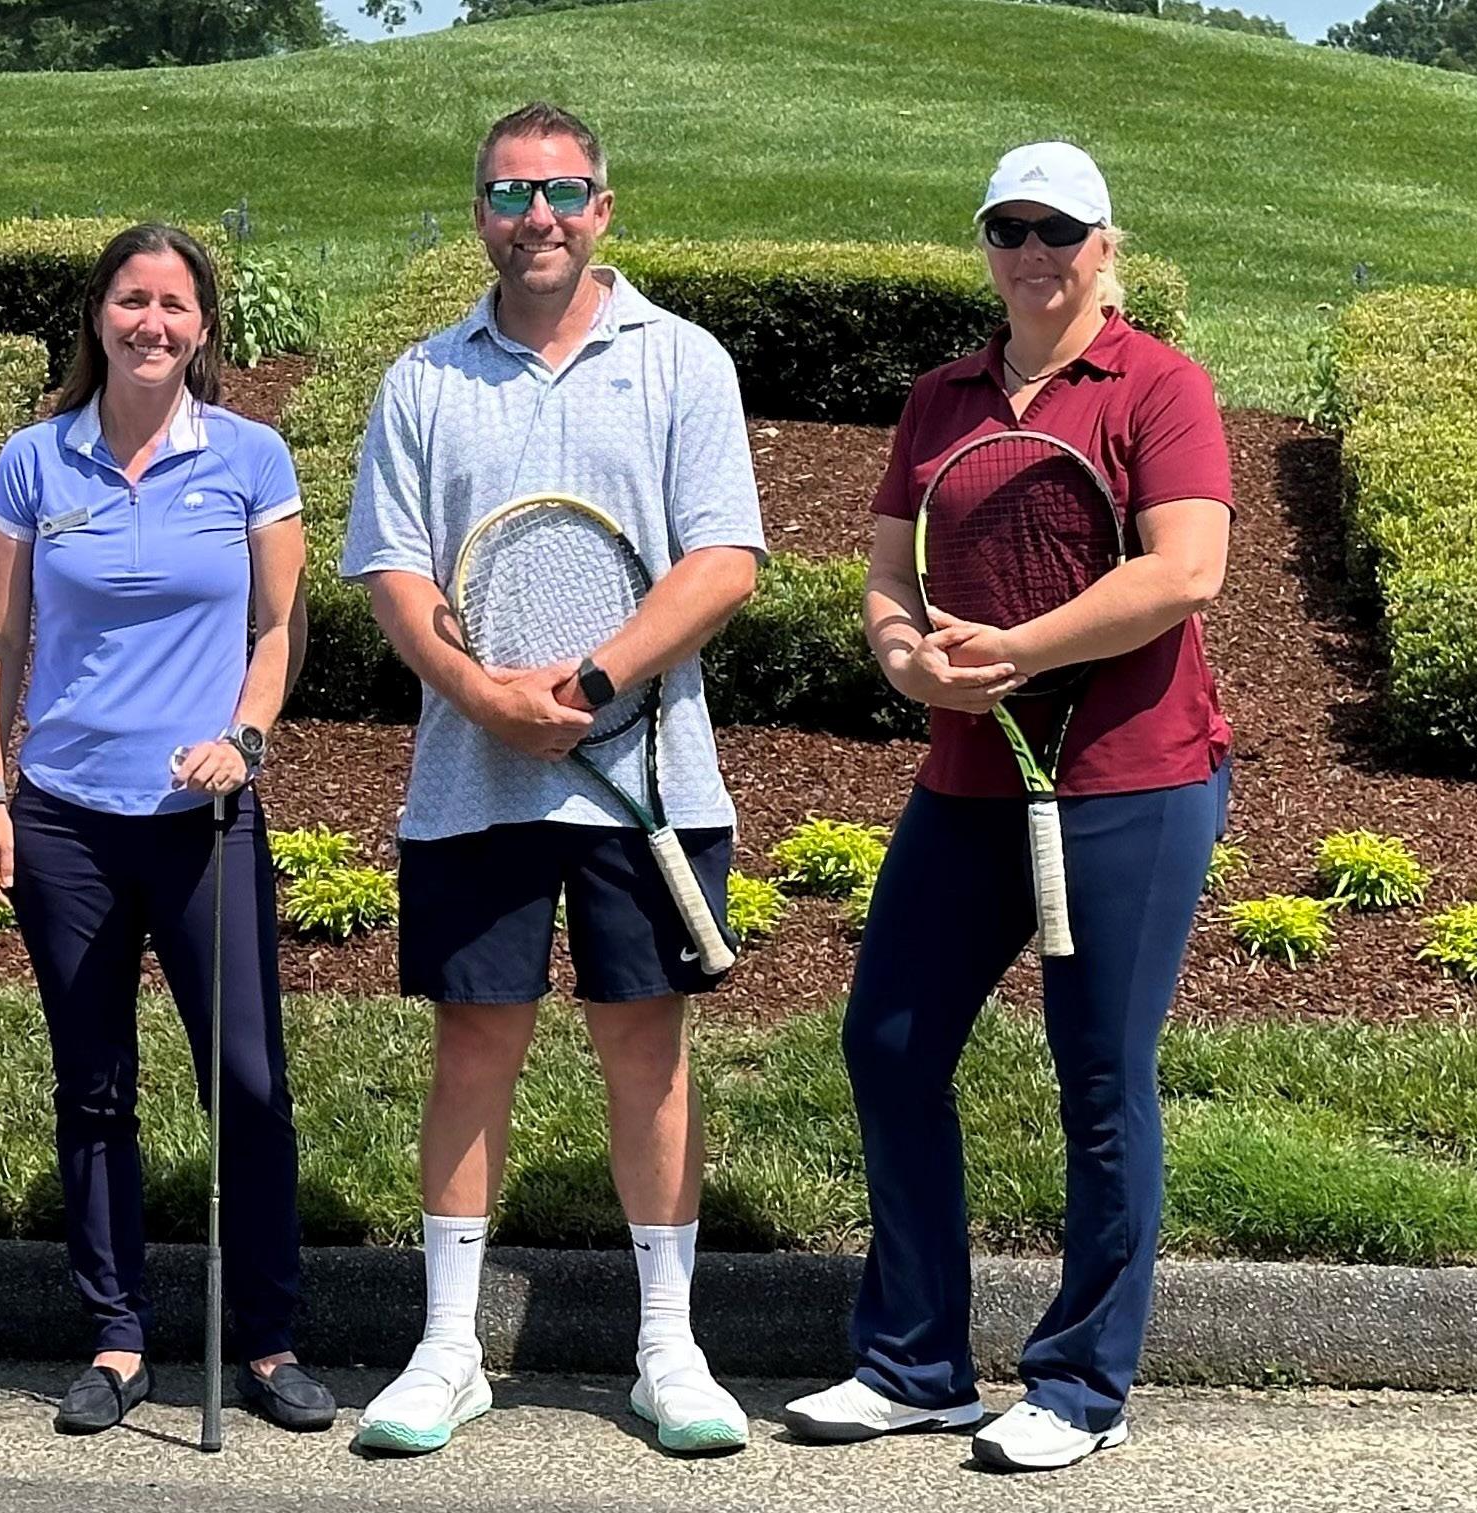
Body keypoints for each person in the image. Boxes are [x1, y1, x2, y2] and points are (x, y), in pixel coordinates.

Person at [773, 141, 1233, 1473]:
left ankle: (1081, 1384)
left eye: (1058, 231)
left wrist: (1018, 652)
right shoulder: (941, 397)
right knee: (889, 1046)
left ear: (1105, 246)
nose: (1032, 253)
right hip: (970, 779)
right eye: (1008, 229)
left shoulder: (1158, 385)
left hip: (1130, 780)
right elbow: (887, 575)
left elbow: (1185, 570)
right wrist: (904, 657)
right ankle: (913, 1364)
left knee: (1098, 1076)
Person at [338, 102, 770, 1458]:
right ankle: (447, 1351)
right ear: (479, 211)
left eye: (563, 191)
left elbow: (723, 560)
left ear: (603, 208)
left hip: (646, 780)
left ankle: (667, 1350)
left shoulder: (681, 361)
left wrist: (585, 684)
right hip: (471, 782)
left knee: (647, 1047)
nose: (538, 216)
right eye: (511, 193)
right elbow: (393, 569)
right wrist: (480, 695)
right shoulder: (421, 380)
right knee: (473, 1044)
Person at [0, 223, 326, 1437]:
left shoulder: (250, 457)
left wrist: (245, 739)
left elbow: (278, 628)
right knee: (93, 1086)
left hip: (202, 818)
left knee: (247, 1084)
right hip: (65, 819)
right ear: (97, 315)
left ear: (203, 325)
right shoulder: (34, 459)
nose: (150, 323)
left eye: (172, 304)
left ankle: (266, 1340)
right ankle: (116, 1340)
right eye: (130, 300)